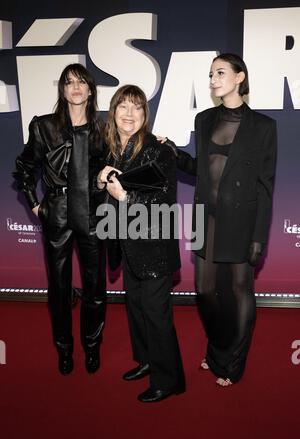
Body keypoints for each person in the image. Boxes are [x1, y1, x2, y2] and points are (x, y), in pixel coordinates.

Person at [169, 53, 277, 386]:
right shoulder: (204, 119)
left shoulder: (263, 126)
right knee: (204, 290)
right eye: (210, 74)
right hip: (206, 218)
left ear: (239, 77)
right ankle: (217, 348)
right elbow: (202, 168)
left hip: (241, 221)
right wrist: (173, 152)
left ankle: (232, 362)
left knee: (241, 290)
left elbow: (265, 185)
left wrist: (259, 235)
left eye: (220, 72)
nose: (213, 79)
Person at [13, 63, 107, 375]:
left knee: (94, 288)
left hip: (93, 213)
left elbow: (121, 161)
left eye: (81, 82)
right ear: (63, 90)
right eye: (69, 83)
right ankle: (64, 349)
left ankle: (92, 349)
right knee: (59, 288)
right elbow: (24, 168)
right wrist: (35, 204)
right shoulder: (44, 126)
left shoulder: (102, 130)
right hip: (58, 211)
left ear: (90, 89)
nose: (76, 87)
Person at [97, 84, 185, 402]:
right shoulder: (110, 149)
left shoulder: (157, 149)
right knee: (136, 308)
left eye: (137, 107)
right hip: (127, 243)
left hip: (154, 245)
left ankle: (170, 379)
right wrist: (99, 180)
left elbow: (165, 199)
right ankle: (147, 361)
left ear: (145, 115)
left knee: (156, 312)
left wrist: (125, 196)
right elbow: (99, 191)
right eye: (124, 106)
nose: (129, 113)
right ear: (114, 111)